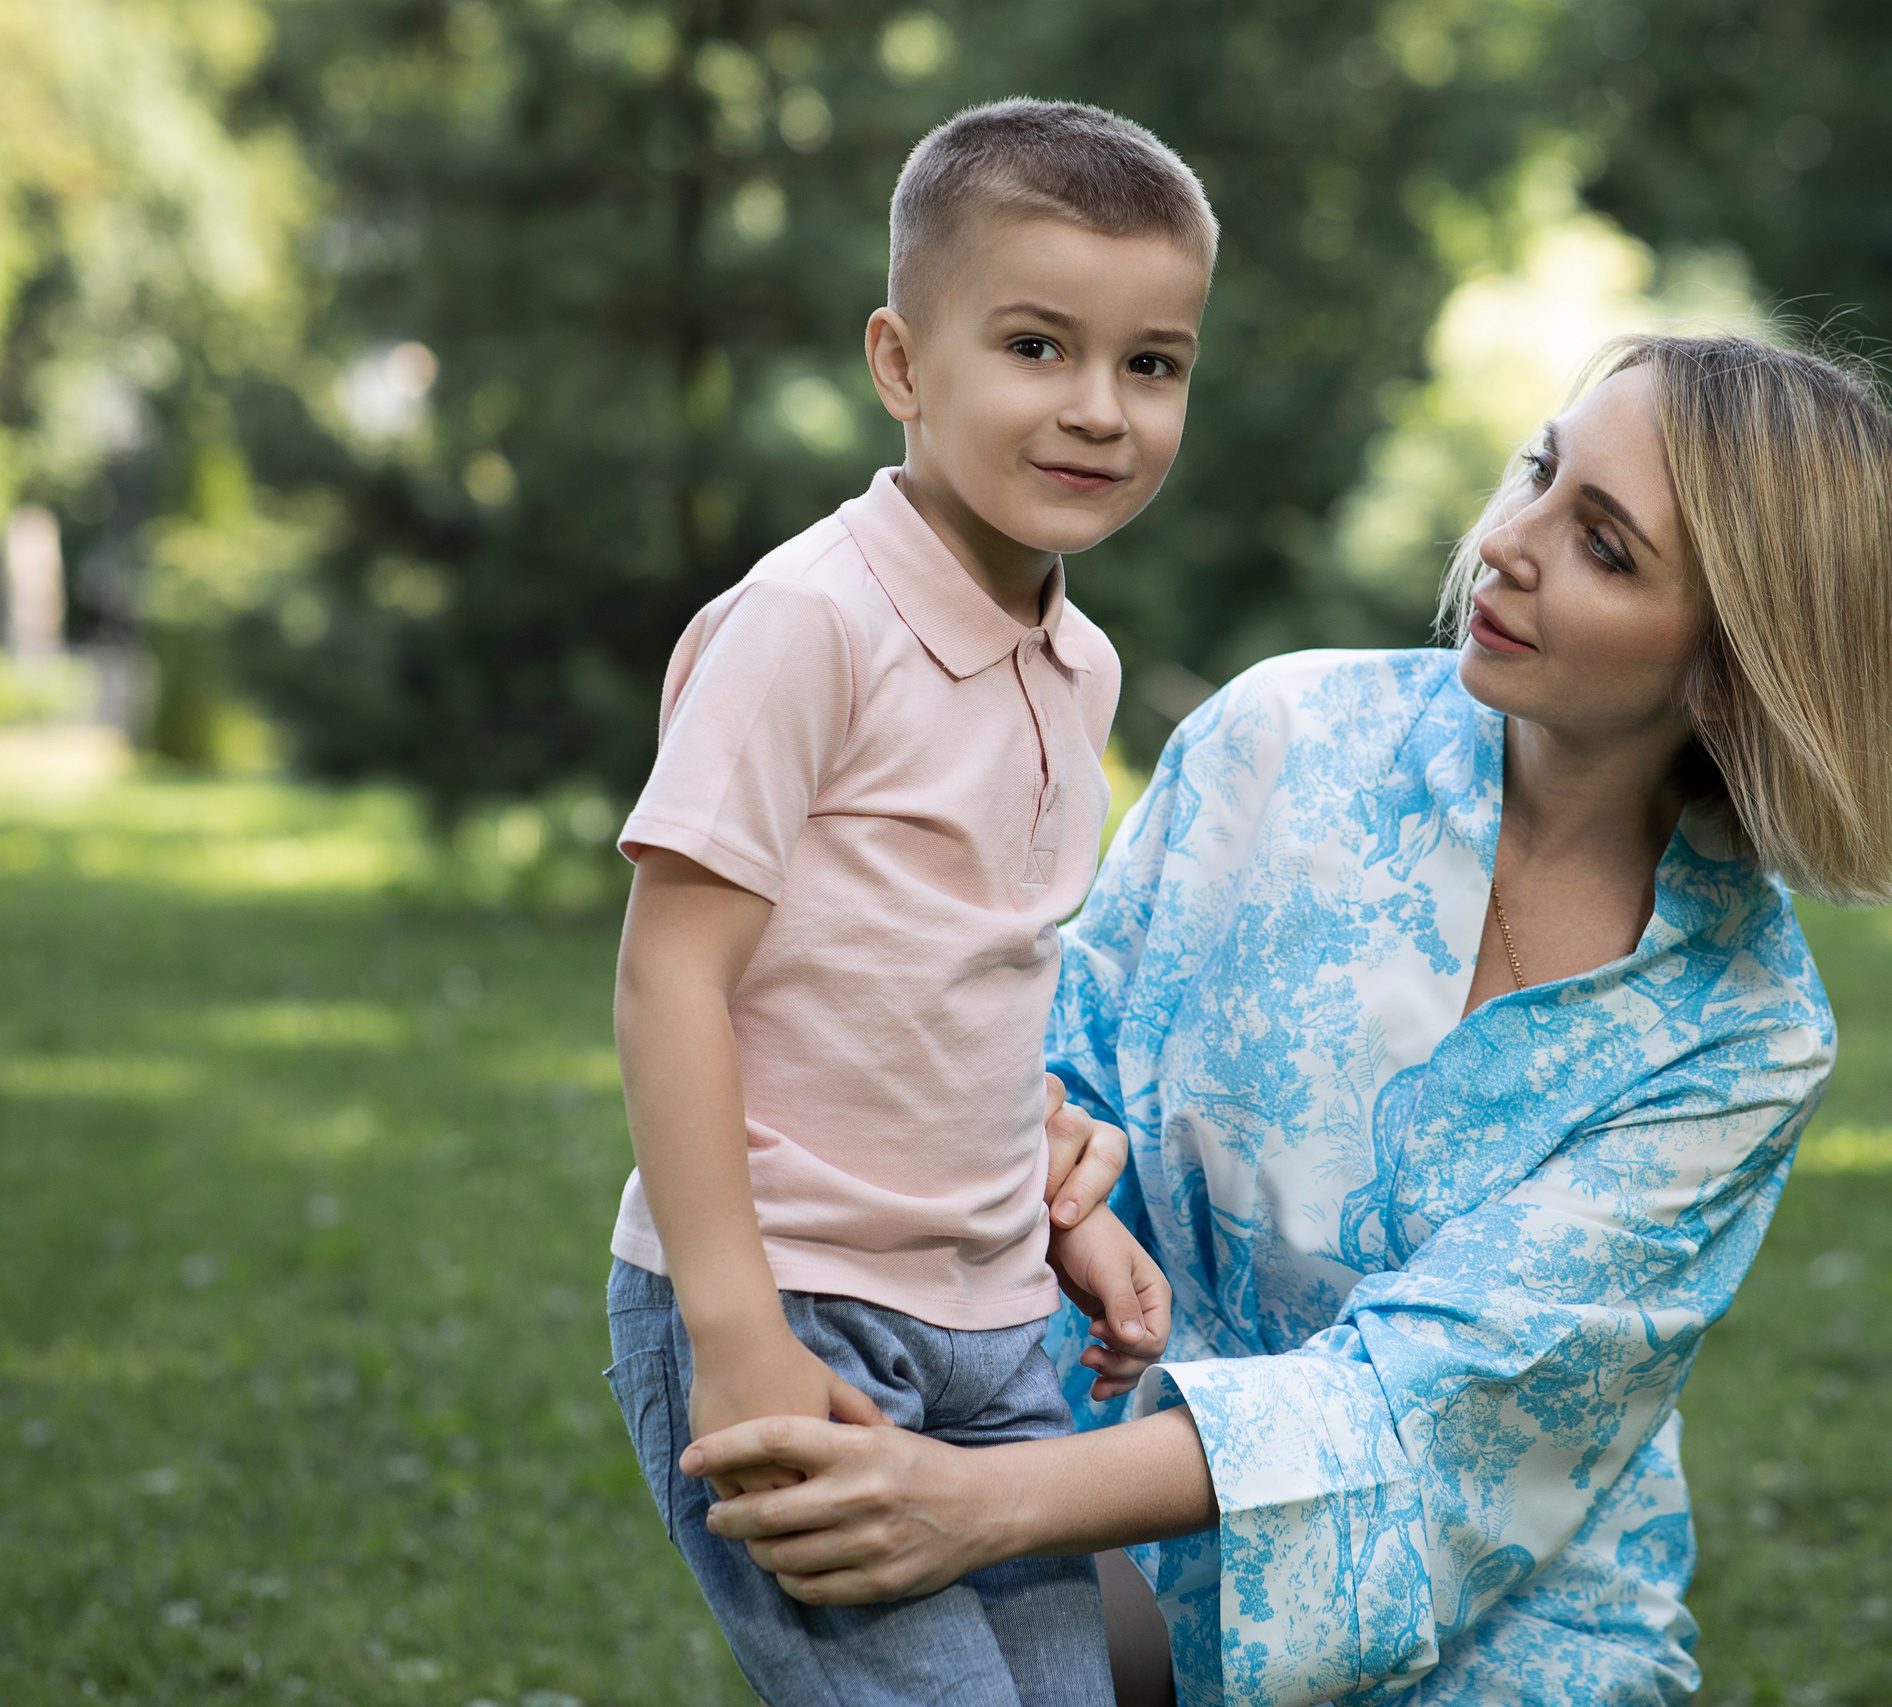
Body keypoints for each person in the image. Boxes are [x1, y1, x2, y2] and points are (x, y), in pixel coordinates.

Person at [678, 332, 1892, 1707]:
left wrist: (974, 1507)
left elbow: (1439, 1403)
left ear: (1732, 663)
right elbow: (1041, 1064)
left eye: (1606, 547)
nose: (1510, 543)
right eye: (1539, 472)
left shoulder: (1743, 1030)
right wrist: (1042, 1159)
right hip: (1063, 1483)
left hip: (1488, 1616)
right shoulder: (1276, 738)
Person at [601, 99, 1214, 1707]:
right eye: (1035, 345)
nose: (1100, 411)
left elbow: (958, 979)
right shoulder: (811, 622)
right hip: (791, 1299)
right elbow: (671, 980)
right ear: (902, 363)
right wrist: (736, 1331)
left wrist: (1055, 1211)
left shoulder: (1079, 667)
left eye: (1152, 364)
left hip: (997, 1325)